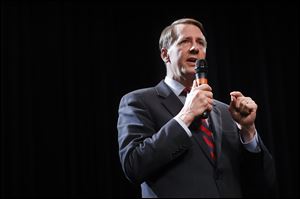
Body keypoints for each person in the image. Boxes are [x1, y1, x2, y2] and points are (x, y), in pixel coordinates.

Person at [117, 18, 277, 198]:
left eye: (200, 43)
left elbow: (265, 181)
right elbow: (134, 165)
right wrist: (186, 115)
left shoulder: (226, 111)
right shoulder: (139, 101)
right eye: (185, 41)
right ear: (165, 54)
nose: (195, 48)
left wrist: (248, 131)